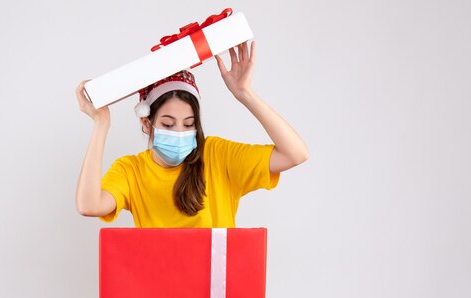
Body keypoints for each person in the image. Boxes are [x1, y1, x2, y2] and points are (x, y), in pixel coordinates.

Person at [75, 41, 309, 227]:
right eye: (168, 125)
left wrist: (244, 94)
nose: (179, 132)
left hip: (217, 286)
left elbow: (295, 154)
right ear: (147, 123)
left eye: (189, 124)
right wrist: (101, 123)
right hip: (160, 286)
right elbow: (89, 205)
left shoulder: (218, 155)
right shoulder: (131, 171)